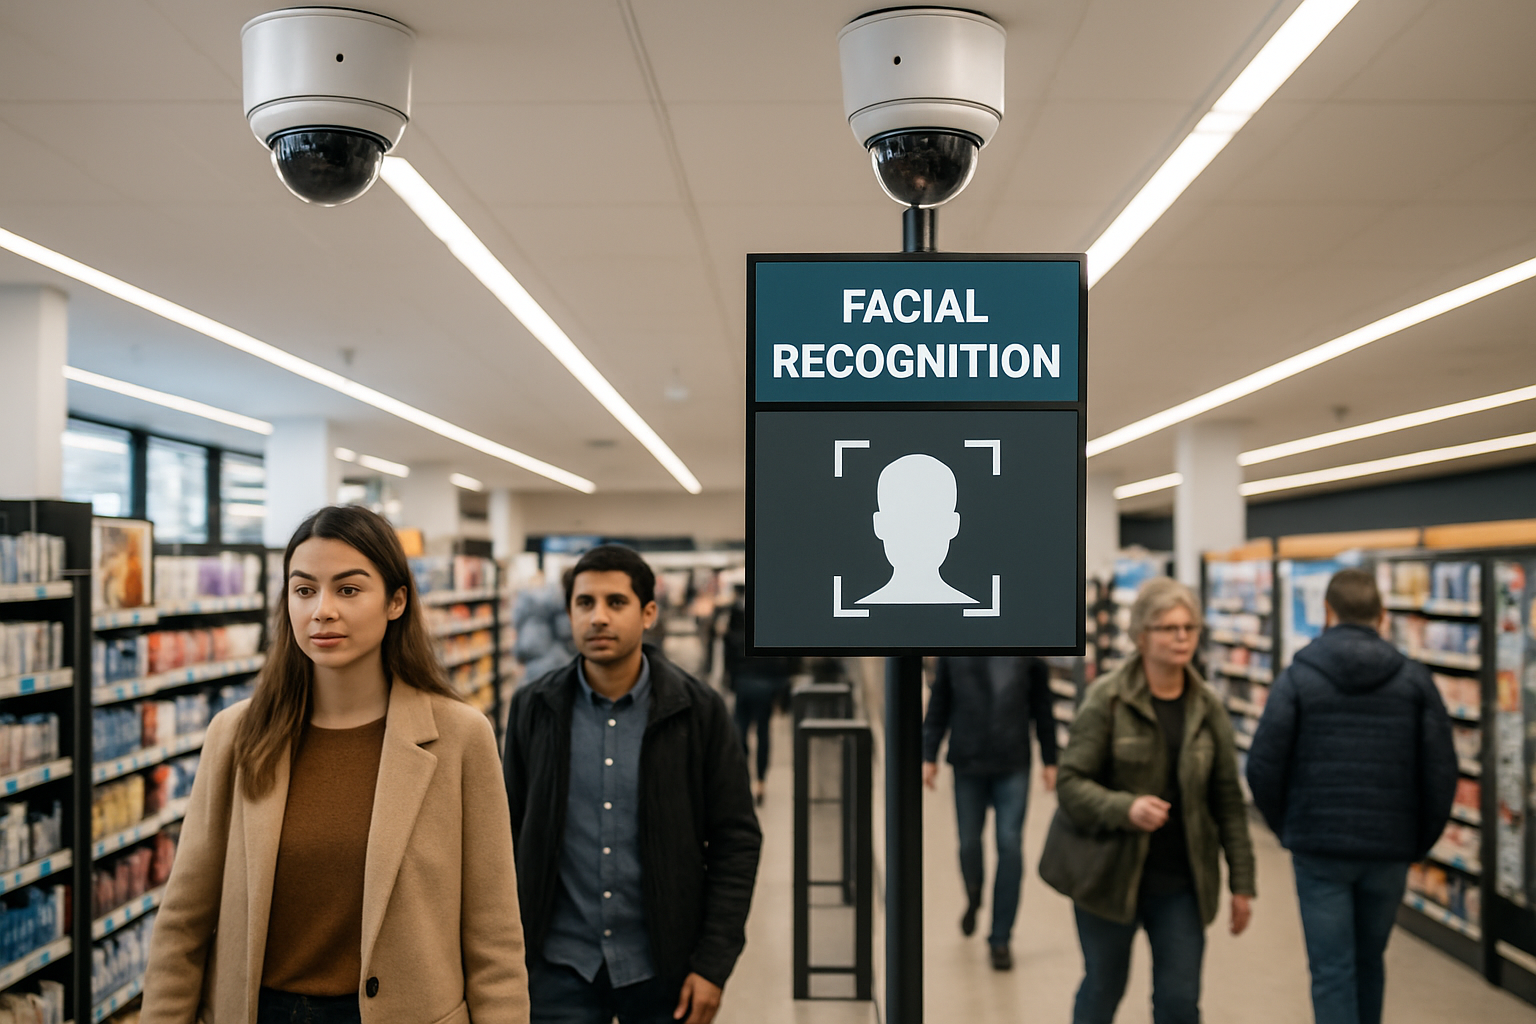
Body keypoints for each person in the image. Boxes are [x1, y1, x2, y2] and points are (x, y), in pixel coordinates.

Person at [140, 505, 529, 1024]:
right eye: (304, 590)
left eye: (348, 589)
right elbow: (183, 923)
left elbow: (494, 935)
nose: (322, 610)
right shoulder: (236, 736)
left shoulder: (460, 738)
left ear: (396, 601)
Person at [503, 545, 762, 1024]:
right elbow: (505, 832)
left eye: (615, 603)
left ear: (648, 613)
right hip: (557, 969)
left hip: (663, 969)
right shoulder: (534, 709)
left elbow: (736, 841)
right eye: (585, 603)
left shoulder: (697, 711)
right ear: (569, 612)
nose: (598, 617)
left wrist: (713, 964)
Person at [1246, 568, 1456, 1024]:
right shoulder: (1414, 680)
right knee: (1369, 961)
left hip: (1318, 850)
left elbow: (1262, 765)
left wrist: (1290, 827)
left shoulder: (1299, 676)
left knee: (1331, 970)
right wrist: (1416, 842)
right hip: (1388, 850)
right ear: (1382, 615)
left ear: (1327, 613)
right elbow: (1442, 772)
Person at [1056, 577, 1255, 1024]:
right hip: (1108, 877)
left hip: (1181, 882)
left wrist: (1242, 883)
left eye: (1189, 627)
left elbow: (1227, 800)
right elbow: (1070, 783)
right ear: (1142, 636)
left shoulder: (1208, 708)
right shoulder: (1107, 699)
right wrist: (1124, 808)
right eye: (1169, 628)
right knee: (1102, 988)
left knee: (1179, 1002)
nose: (1182, 637)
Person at [921, 656, 1059, 971]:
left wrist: (1050, 759)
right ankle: (974, 893)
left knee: (1009, 847)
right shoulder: (955, 648)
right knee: (969, 843)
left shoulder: (1028, 650)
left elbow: (1042, 706)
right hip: (967, 761)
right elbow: (940, 700)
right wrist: (929, 753)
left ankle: (1000, 937)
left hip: (1013, 763)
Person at [721, 584, 794, 805]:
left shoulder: (734, 628)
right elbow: (783, 660)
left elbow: (729, 662)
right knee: (763, 734)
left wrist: (732, 682)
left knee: (740, 734)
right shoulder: (771, 627)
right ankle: (760, 781)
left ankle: (742, 780)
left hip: (743, 686)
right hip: (765, 688)